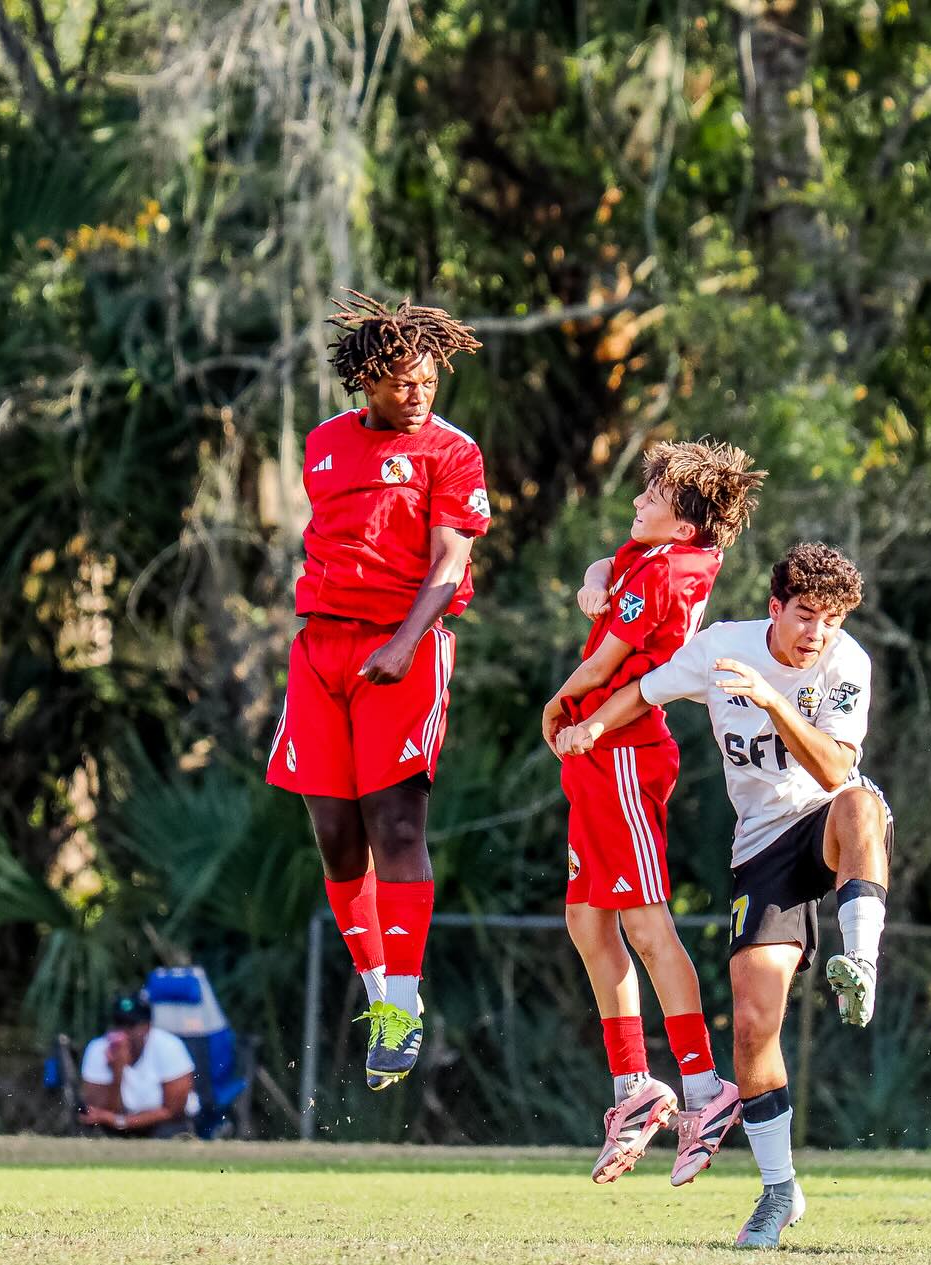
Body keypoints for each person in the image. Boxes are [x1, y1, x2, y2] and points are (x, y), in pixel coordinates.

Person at [556, 541, 891, 1246]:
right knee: (750, 1025)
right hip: (762, 850)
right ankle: (779, 1193)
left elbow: (835, 770)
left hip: (822, 820)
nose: (817, 633)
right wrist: (588, 725)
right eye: (805, 616)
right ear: (776, 608)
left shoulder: (847, 664)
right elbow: (644, 690)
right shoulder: (721, 649)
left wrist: (772, 700)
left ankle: (861, 960)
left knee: (862, 804)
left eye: (830, 620)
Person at [265, 290, 488, 1091]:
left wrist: (404, 642)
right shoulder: (323, 444)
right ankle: (375, 986)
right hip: (320, 647)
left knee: (395, 824)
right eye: (401, 381)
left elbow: (451, 563)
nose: (418, 392)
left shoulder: (453, 452)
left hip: (404, 648)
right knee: (333, 833)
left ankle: (402, 1002)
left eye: (428, 379)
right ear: (366, 380)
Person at [541, 440, 766, 1186]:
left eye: (654, 496)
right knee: (586, 918)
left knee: (644, 921)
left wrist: (565, 704)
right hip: (601, 753)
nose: (637, 502)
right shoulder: (659, 555)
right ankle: (633, 1085)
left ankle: (704, 1086)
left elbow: (607, 661)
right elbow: (608, 576)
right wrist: (594, 575)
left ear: (682, 524)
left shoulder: (669, 571)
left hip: (628, 750)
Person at [79, 990, 196, 1138]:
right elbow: (97, 1112)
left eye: (131, 1025)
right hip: (117, 1125)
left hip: (164, 1124)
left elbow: (173, 1110)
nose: (124, 1031)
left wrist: (120, 1122)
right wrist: (117, 1072)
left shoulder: (169, 1046)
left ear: (147, 1027)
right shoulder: (98, 1049)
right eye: (119, 1023)